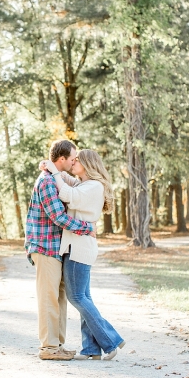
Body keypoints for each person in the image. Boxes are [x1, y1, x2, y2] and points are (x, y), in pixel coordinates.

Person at [40, 149, 126, 361]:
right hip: (76, 245)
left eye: (77, 160)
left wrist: (55, 172)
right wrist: (51, 167)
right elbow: (67, 179)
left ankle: (111, 339)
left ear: (87, 164)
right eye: (72, 159)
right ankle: (91, 349)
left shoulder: (94, 187)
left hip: (80, 247)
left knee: (77, 297)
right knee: (84, 298)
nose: (73, 162)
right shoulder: (84, 184)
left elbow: (66, 194)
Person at [25, 139, 96, 361]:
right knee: (48, 298)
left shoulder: (55, 178)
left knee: (60, 298)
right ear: (62, 159)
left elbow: (78, 187)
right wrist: (87, 228)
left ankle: (58, 344)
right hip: (45, 248)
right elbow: (58, 217)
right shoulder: (46, 182)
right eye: (73, 158)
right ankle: (48, 347)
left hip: (57, 249)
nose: (75, 161)